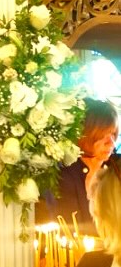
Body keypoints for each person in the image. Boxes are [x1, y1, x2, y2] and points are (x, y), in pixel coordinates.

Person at [40, 97, 119, 235]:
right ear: (84, 135)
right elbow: (63, 229)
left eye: (113, 134)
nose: (111, 142)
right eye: (102, 135)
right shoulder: (63, 175)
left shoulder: (117, 168)